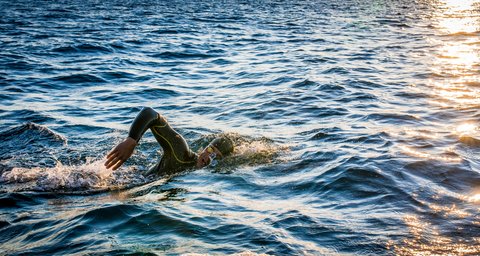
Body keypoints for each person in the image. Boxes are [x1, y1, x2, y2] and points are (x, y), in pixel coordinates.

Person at [105, 107, 234, 174]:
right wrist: (131, 141)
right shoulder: (181, 153)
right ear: (204, 148)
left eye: (215, 156)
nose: (208, 157)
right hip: (124, 180)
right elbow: (150, 113)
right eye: (210, 150)